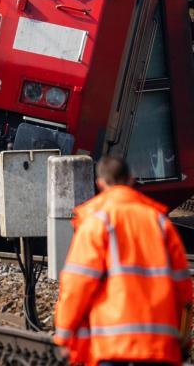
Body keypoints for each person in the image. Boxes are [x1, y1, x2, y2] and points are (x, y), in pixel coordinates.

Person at [54, 156, 192, 366]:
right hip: (158, 343)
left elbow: (77, 285)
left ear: (100, 183)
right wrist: (183, 338)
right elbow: (183, 289)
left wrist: (63, 334)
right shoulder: (160, 222)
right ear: (130, 179)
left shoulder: (97, 222)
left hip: (111, 343)